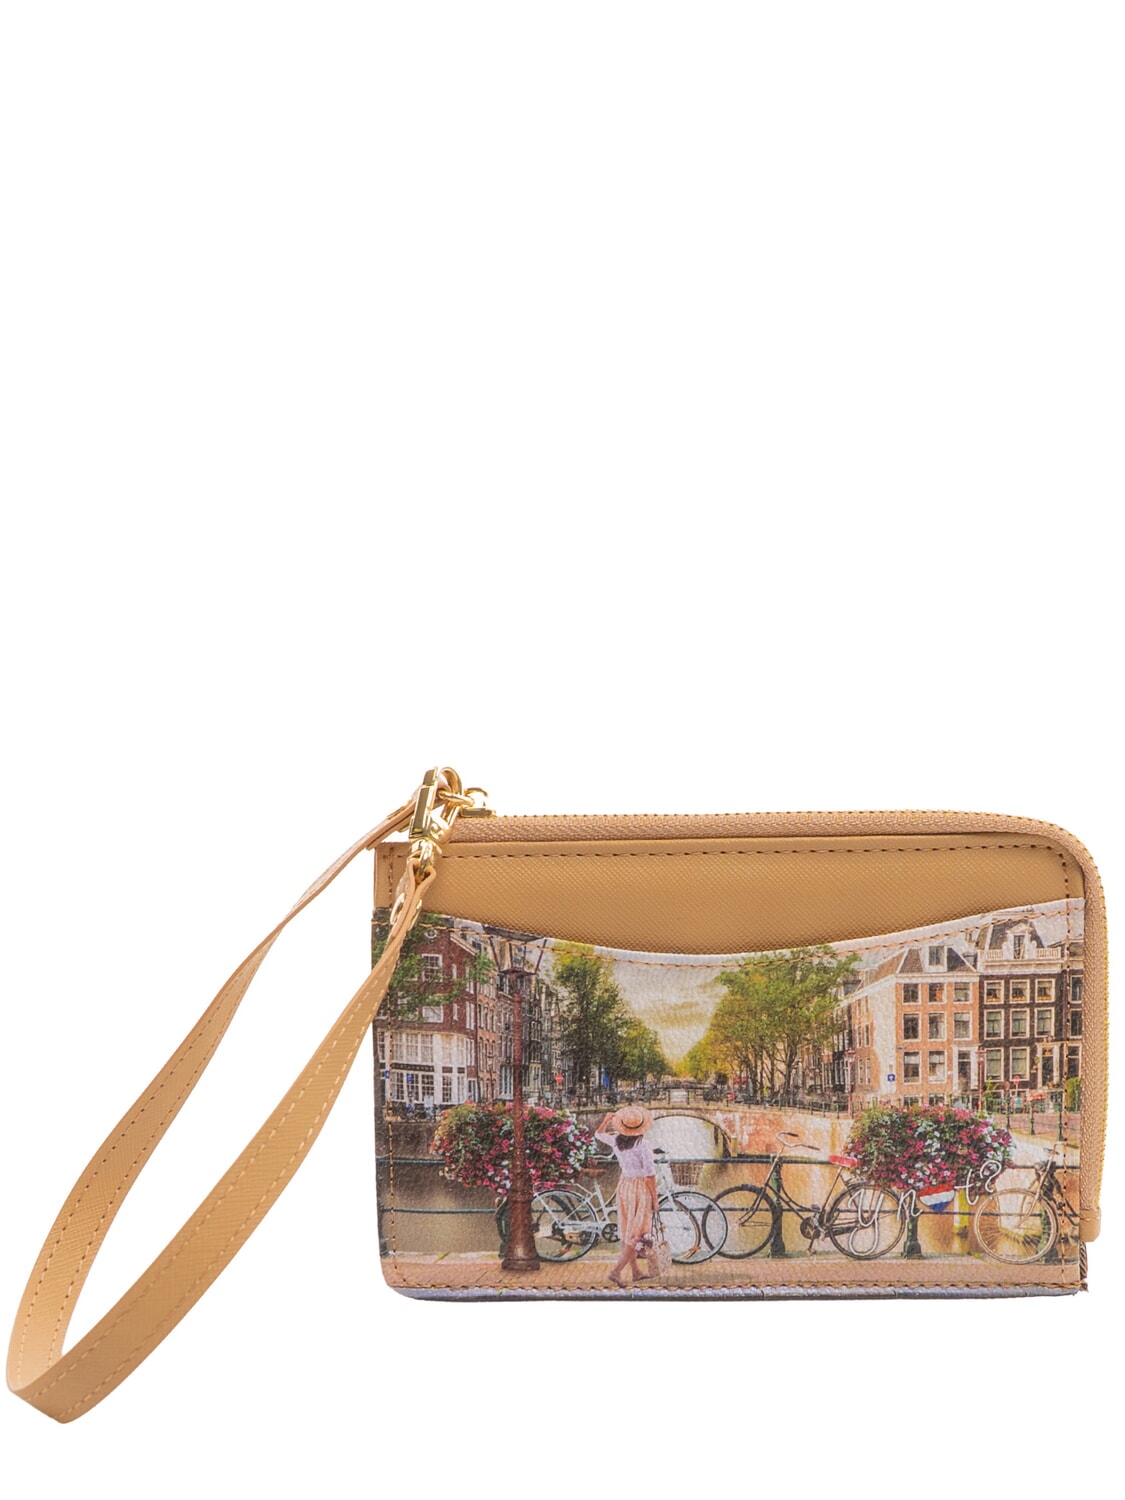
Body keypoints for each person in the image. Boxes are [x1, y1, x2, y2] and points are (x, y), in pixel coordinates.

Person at [595, 1105, 659, 1287]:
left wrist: (606, 1120)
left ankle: (636, 1271)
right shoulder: (643, 1145)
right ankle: (616, 1271)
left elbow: (598, 1134)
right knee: (637, 1234)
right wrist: (654, 1198)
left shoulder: (616, 1140)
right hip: (639, 1189)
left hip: (624, 1186)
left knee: (628, 1231)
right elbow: (649, 1175)